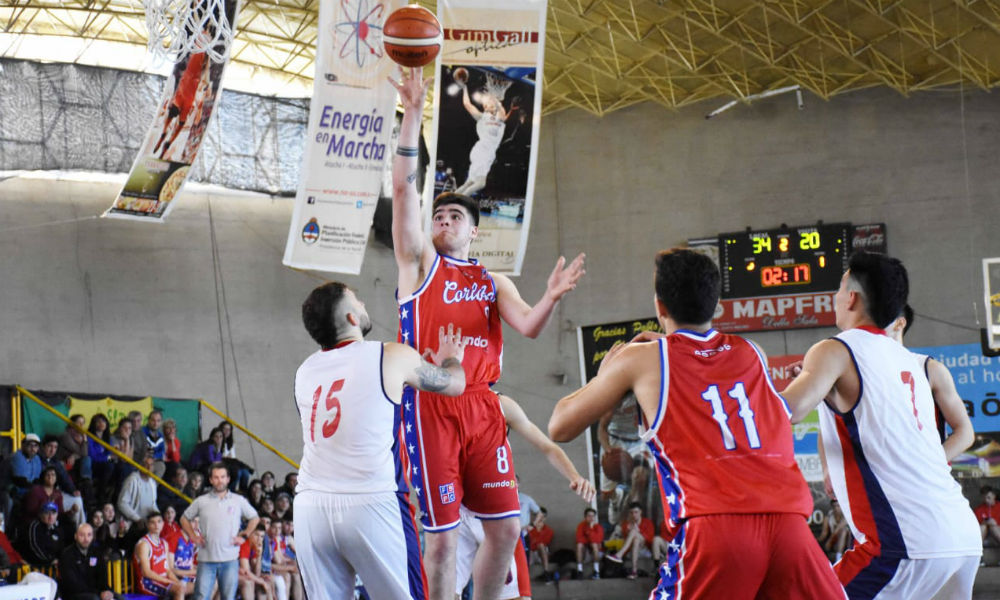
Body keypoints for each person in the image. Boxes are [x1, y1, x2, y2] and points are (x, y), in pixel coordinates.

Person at [388, 66, 585, 600]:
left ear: (475, 230)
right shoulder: (418, 266)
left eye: (455, 215)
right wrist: (411, 115)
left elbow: (527, 327)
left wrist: (550, 297)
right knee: (444, 541)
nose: (443, 220)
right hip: (431, 404)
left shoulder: (492, 280)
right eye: (439, 215)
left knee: (506, 529)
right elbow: (405, 192)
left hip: (481, 405)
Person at [548, 248, 844, 599]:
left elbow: (559, 427)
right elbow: (708, 365)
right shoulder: (753, 352)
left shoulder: (640, 360)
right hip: (791, 529)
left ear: (660, 307)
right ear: (716, 304)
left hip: (717, 530)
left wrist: (604, 375)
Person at [781, 251, 982, 599]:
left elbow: (786, 410)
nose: (835, 297)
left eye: (839, 287)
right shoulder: (912, 363)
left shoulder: (835, 349)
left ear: (852, 297)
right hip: (961, 538)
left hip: (902, 543)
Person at [292, 281, 467, 599]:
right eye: (356, 300)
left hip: (310, 509)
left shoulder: (303, 371)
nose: (362, 303)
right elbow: (454, 385)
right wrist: (451, 358)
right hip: (372, 502)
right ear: (351, 319)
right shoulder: (390, 354)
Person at [454, 392, 594, 598]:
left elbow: (547, 446)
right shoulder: (440, 399)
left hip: (497, 514)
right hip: (458, 512)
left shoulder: (500, 404)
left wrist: (574, 476)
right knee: (446, 592)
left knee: (519, 597)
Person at [887, 305, 975, 460]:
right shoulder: (858, 370)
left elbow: (965, 432)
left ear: (899, 323)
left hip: (925, 478)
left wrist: (933, 466)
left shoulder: (929, 368)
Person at [180, 462, 259, 600]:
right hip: (206, 559)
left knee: (228, 597)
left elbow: (255, 518)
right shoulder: (201, 501)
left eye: (222, 477)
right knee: (201, 596)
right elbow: (184, 519)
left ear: (228, 479)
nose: (219, 480)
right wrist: (193, 536)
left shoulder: (238, 500)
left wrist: (245, 535)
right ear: (210, 480)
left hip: (230, 559)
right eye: (216, 477)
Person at [453, 74, 514, 197]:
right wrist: (464, 88)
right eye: (487, 104)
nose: (490, 104)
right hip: (483, 151)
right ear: (485, 107)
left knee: (469, 183)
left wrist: (495, 98)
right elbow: (467, 104)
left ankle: (450, 199)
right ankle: (459, 202)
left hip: (487, 154)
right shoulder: (481, 117)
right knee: (481, 183)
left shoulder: (500, 118)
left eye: (492, 104)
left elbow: (502, 111)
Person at [58, 523, 123, 600]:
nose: (86, 539)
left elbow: (103, 578)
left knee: (120, 598)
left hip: (95, 592)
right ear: (75, 536)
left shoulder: (97, 552)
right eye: (82, 535)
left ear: (93, 536)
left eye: (89, 535)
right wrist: (99, 593)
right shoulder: (67, 554)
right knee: (94, 598)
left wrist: (107, 591)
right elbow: (73, 584)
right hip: (74, 594)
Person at [134, 512, 184, 599]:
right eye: (153, 522)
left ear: (163, 524)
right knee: (179, 589)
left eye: (159, 521)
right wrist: (169, 582)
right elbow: (146, 572)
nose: (156, 525)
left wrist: (177, 581)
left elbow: (167, 570)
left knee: (192, 587)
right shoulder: (144, 544)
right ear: (148, 525)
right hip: (148, 583)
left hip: (162, 581)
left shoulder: (164, 543)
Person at [39, 435, 86, 527]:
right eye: (49, 446)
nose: (52, 450)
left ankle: (81, 530)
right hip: (43, 495)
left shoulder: (55, 462)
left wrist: (72, 490)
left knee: (77, 500)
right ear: (43, 447)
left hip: (56, 493)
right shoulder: (38, 460)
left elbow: (65, 478)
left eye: (55, 447)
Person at [606, 502, 654, 579]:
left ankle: (619, 555)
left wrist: (637, 532)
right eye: (631, 513)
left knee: (634, 533)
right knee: (636, 540)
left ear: (640, 512)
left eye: (636, 512)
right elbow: (626, 541)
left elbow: (650, 539)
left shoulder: (647, 522)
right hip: (632, 550)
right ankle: (634, 571)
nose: (634, 514)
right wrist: (628, 531)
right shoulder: (626, 524)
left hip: (645, 549)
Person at [117, 451, 159, 526]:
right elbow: (121, 503)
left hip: (148, 523)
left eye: (151, 465)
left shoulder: (152, 483)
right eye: (146, 465)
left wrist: (159, 516)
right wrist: (137, 519)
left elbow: (153, 503)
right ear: (141, 465)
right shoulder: (132, 480)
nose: (149, 468)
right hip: (133, 523)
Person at [21, 502, 63, 567]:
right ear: (41, 515)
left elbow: (61, 548)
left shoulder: (57, 528)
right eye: (47, 513)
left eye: (53, 513)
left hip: (52, 564)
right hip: (34, 565)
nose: (50, 517)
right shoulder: (34, 526)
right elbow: (35, 548)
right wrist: (51, 560)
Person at [238, 524, 273, 600]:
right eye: (256, 535)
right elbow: (246, 572)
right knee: (249, 582)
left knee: (266, 580)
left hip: (239, 573)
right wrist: (261, 582)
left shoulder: (254, 546)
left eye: (262, 536)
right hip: (228, 573)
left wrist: (259, 555)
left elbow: (256, 572)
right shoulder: (244, 544)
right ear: (250, 533)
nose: (259, 539)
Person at [57, 415, 91, 481]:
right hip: (64, 460)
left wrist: (74, 456)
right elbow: (82, 452)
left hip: (74, 460)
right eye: (78, 422)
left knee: (87, 459)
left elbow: (84, 453)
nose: (81, 425)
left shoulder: (81, 435)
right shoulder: (66, 435)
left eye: (83, 423)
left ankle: (86, 481)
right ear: (72, 423)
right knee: (87, 459)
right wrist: (84, 441)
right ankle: (85, 481)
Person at [574, 507, 604, 580]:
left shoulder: (598, 527)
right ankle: (580, 571)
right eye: (589, 516)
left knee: (594, 544)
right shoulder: (581, 526)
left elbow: (598, 540)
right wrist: (589, 539)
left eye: (593, 516)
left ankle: (596, 571)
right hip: (586, 553)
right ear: (585, 517)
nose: (591, 518)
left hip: (597, 553)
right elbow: (579, 539)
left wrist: (590, 530)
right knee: (579, 545)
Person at [11, 433, 42, 498]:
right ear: (23, 446)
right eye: (29, 445)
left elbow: (36, 480)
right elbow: (20, 481)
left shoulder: (36, 458)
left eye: (35, 446)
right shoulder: (17, 456)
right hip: (13, 491)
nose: (33, 448)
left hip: (29, 491)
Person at [527, 508, 554, 581]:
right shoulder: (529, 529)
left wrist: (537, 537)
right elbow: (529, 542)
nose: (541, 519)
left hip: (542, 554)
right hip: (531, 552)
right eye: (539, 516)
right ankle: (524, 577)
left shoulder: (549, 530)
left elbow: (544, 543)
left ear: (545, 518)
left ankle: (546, 571)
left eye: (543, 517)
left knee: (541, 545)